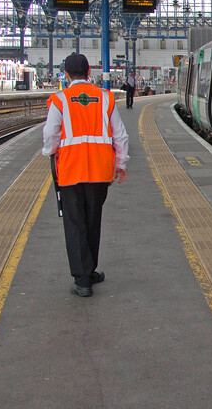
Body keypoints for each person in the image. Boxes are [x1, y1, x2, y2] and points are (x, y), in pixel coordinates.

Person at [41, 53, 129, 297]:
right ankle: (89, 271)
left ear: (66, 74)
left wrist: (49, 151)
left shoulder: (59, 100)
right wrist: (120, 164)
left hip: (70, 171)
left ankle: (83, 279)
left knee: (75, 222)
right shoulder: (105, 97)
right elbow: (119, 135)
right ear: (89, 72)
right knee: (92, 220)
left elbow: (51, 134)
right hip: (100, 171)